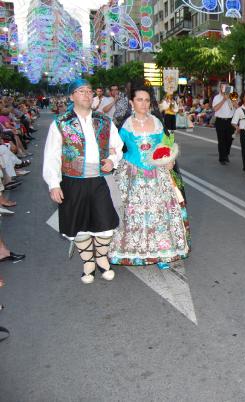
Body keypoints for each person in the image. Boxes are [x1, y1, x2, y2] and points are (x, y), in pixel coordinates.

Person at [43, 79, 123, 284]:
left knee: (106, 222)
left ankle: (102, 258)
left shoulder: (104, 121)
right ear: (72, 96)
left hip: (99, 179)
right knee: (78, 225)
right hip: (72, 181)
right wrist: (54, 183)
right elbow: (52, 155)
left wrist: (112, 160)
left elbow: (117, 145)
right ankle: (88, 263)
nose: (87, 94)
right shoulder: (61, 123)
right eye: (81, 91)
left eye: (89, 91)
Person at [109, 86, 190, 270]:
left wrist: (169, 159)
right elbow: (116, 147)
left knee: (159, 213)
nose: (144, 104)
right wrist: (111, 152)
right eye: (139, 100)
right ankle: (129, 250)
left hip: (157, 173)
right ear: (132, 102)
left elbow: (165, 145)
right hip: (131, 173)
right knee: (131, 213)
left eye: (147, 100)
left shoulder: (157, 123)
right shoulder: (125, 126)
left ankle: (162, 253)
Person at [212, 83, 236, 165]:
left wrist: (231, 99)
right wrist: (224, 99)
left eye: (226, 87)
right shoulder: (217, 97)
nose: (224, 88)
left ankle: (226, 154)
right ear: (220, 88)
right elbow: (215, 109)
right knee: (221, 140)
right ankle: (222, 158)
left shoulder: (233, 95)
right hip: (220, 121)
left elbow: (237, 106)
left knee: (230, 139)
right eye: (223, 87)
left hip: (230, 121)